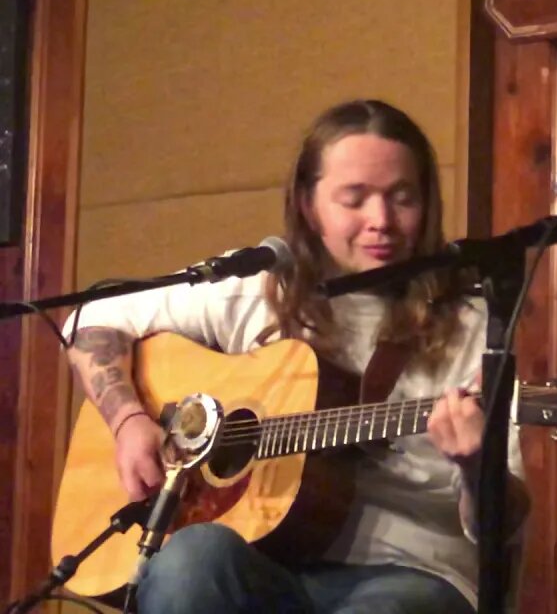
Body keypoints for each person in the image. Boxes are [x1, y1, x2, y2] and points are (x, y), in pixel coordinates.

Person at [65, 99, 528, 613]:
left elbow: (503, 525)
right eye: (355, 198)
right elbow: (90, 319)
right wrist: (129, 419)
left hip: (412, 573)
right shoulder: (258, 289)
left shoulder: (472, 325)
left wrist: (474, 464)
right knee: (189, 558)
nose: (382, 220)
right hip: (264, 559)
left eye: (403, 198)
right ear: (308, 204)